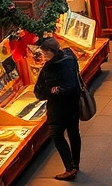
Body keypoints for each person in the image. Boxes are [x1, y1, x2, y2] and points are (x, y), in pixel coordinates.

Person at [34, 38, 81, 180]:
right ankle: (75, 163)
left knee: (56, 134)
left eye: (44, 52)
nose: (43, 55)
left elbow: (40, 91)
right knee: (74, 132)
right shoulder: (69, 56)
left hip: (58, 107)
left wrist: (50, 91)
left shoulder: (52, 67)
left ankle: (69, 168)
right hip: (74, 103)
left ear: (50, 51)